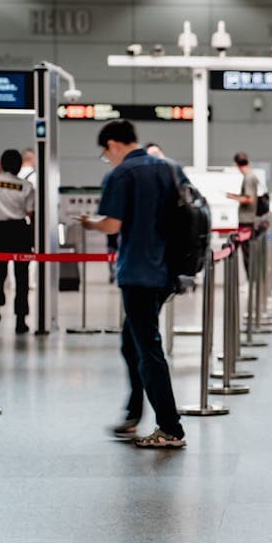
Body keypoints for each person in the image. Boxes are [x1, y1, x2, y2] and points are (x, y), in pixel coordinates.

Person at [80, 119, 186, 449]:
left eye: (105, 153)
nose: (107, 159)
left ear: (113, 144)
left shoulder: (121, 174)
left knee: (148, 349)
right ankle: (133, 413)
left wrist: (89, 223)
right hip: (166, 271)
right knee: (132, 343)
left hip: (138, 273)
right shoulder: (170, 168)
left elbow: (112, 225)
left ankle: (170, 428)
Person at [0, 149, 35, 336]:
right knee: (22, 278)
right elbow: (31, 214)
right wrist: (33, 237)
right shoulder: (26, 186)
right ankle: (20, 320)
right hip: (20, 232)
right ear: (19, 166)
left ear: (1, 164)